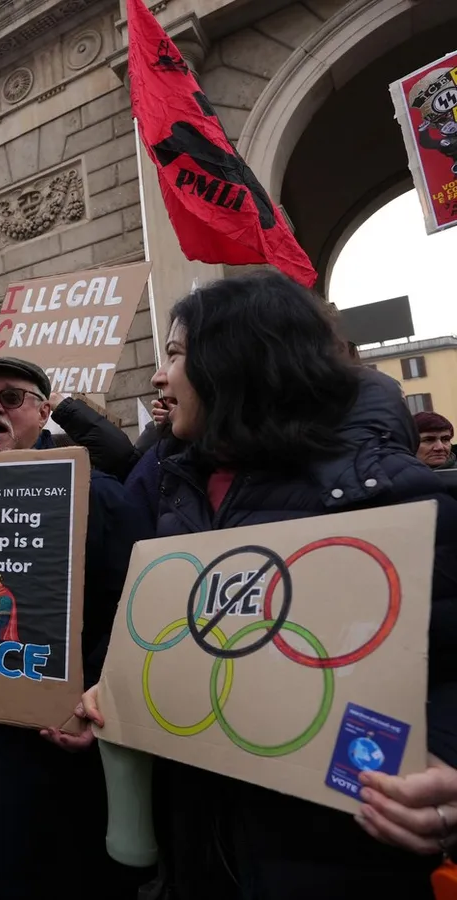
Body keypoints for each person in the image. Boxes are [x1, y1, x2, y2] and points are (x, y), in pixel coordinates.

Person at [76, 272, 457, 899]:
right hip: (202, 857)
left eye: (173, 354)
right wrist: (120, 695)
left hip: (338, 866)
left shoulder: (386, 492)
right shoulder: (180, 489)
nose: (158, 379)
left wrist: (447, 762)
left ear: (236, 360)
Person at [0, 357, 154, 900]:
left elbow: (139, 609)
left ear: (44, 412)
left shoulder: (100, 494)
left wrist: (96, 689)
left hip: (68, 745)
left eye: (11, 398)